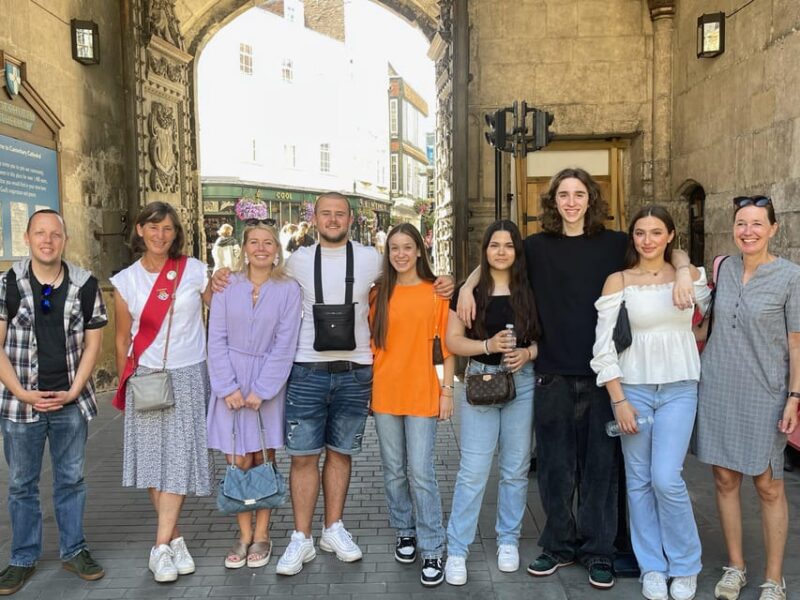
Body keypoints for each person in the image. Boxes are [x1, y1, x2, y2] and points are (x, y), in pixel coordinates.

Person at [457, 167, 695, 589]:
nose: (571, 202)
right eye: (563, 194)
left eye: (579, 194)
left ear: (590, 200)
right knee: (555, 469)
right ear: (553, 201)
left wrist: (683, 269)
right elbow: (496, 260)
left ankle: (598, 550)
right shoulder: (536, 247)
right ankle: (558, 545)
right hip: (551, 374)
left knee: (601, 470)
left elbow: (664, 252)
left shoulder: (615, 244)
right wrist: (465, 286)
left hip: (606, 376)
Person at [211, 191, 452, 576]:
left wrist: (445, 282)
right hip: (307, 370)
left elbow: (408, 274)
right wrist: (221, 278)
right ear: (316, 218)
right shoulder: (297, 261)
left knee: (341, 453)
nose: (334, 219)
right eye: (326, 213)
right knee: (303, 457)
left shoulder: (372, 258)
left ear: (351, 219)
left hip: (355, 372)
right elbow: (260, 274)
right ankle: (301, 536)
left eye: (340, 213)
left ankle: (333, 529)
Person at [591, 206, 710, 600]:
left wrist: (683, 270)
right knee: (639, 482)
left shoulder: (689, 276)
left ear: (670, 235)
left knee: (666, 478)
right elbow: (603, 348)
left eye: (656, 232)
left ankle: (686, 564)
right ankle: (652, 566)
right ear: (633, 237)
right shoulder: (619, 280)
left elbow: (712, 312)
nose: (647, 240)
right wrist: (619, 400)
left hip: (679, 388)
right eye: (640, 233)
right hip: (634, 390)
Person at [696, 195, 800, 600]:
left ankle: (774, 579)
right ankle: (735, 566)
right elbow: (706, 323)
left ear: (773, 228)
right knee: (724, 479)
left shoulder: (791, 276)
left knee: (768, 484)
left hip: (766, 391)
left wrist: (794, 396)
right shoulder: (723, 267)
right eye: (741, 223)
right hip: (718, 386)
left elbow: (796, 344)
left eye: (757, 223)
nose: (748, 231)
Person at [0, 210, 107, 596]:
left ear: (65, 240)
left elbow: (93, 343)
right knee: (21, 484)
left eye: (55, 234)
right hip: (21, 404)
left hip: (69, 402)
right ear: (26, 238)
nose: (47, 240)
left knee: (71, 480)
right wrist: (22, 392)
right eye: (40, 233)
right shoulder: (7, 284)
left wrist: (75, 391)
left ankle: (74, 550)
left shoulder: (85, 284)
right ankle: (23, 558)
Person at [111, 201, 213, 583]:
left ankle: (159, 546)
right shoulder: (126, 281)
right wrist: (126, 382)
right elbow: (122, 339)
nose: (160, 235)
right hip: (147, 376)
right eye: (153, 227)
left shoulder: (195, 271)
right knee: (154, 460)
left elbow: (223, 310)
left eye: (167, 228)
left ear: (175, 233)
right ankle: (173, 541)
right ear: (140, 230)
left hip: (189, 373)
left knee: (179, 458)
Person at [444, 220, 539, 586]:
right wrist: (487, 345)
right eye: (494, 245)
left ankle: (508, 540)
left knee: (515, 469)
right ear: (484, 250)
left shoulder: (530, 288)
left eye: (508, 245)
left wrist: (528, 353)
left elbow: (547, 337)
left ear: (518, 251)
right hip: (481, 381)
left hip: (522, 382)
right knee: (473, 470)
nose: (501, 251)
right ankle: (457, 549)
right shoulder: (469, 293)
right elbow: (453, 341)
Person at [206, 222, 301, 570]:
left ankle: (262, 534)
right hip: (229, 378)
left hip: (267, 381)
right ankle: (243, 534)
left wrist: (263, 389)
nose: (261, 248)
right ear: (244, 248)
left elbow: (285, 343)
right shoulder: (226, 285)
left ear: (277, 249)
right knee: (237, 461)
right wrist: (226, 386)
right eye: (254, 242)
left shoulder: (288, 289)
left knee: (262, 458)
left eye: (268, 243)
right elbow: (215, 337)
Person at [369, 223, 455, 587]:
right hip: (385, 392)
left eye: (408, 247)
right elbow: (371, 344)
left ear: (420, 250)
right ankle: (405, 531)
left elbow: (447, 347)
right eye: (394, 248)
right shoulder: (378, 293)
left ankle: (433, 545)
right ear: (387, 253)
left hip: (422, 390)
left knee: (421, 472)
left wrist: (448, 390)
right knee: (393, 471)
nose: (401, 254)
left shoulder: (436, 292)